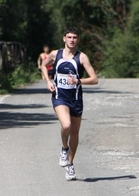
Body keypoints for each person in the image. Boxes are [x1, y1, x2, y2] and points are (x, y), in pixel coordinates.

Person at [41, 27, 98, 180]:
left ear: (78, 39)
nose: (72, 40)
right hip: (60, 97)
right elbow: (43, 65)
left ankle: (70, 164)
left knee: (74, 133)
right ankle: (64, 148)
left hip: (76, 99)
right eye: (69, 37)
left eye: (75, 37)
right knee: (66, 125)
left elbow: (94, 79)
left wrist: (78, 80)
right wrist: (48, 81)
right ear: (64, 39)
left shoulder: (82, 57)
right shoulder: (55, 54)